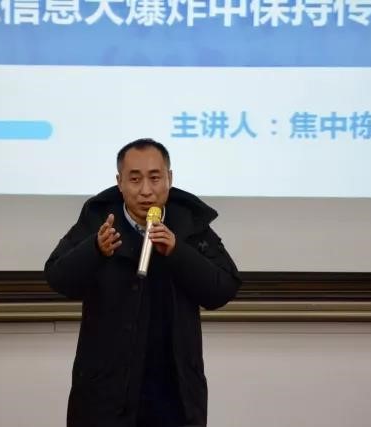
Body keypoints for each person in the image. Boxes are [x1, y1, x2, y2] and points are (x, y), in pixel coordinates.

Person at [45, 138, 241, 427]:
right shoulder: (99, 220)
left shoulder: (189, 223)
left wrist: (178, 251)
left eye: (155, 178)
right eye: (135, 179)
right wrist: (95, 249)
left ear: (169, 178)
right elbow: (57, 277)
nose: (146, 190)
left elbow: (223, 288)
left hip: (174, 392)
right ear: (120, 182)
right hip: (106, 391)